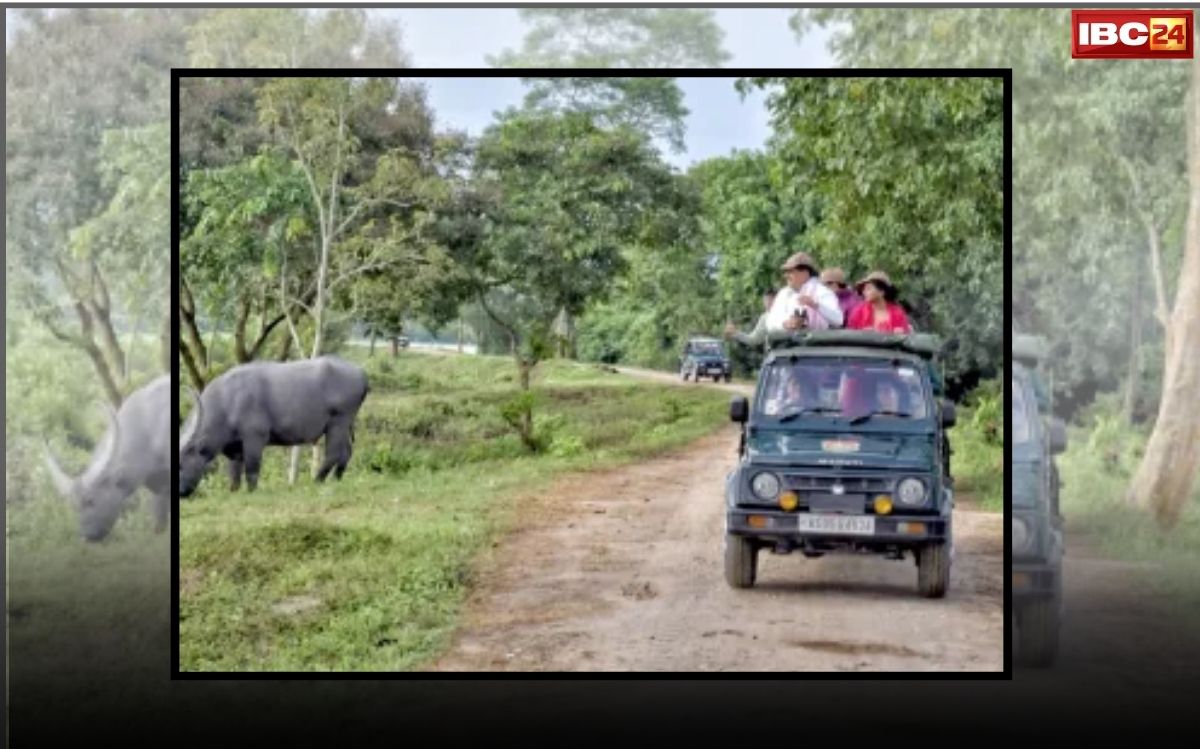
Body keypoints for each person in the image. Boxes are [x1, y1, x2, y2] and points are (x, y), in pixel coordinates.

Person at [765, 252, 844, 337]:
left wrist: (815, 305)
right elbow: (770, 322)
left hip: (815, 346)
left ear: (805, 272)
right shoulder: (784, 294)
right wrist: (785, 324)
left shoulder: (822, 292)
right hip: (785, 346)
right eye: (786, 272)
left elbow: (838, 320)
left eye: (791, 271)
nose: (786, 276)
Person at [846, 270, 913, 334]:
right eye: (864, 289)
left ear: (882, 292)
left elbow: (906, 335)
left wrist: (901, 333)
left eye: (869, 289)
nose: (864, 292)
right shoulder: (858, 312)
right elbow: (849, 335)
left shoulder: (898, 313)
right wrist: (862, 334)